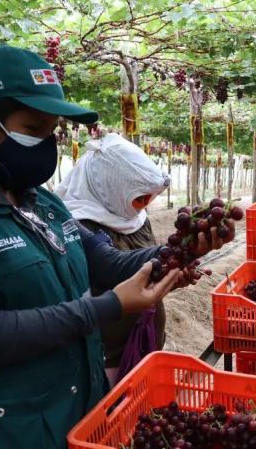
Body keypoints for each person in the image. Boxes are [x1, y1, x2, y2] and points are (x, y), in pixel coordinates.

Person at [0, 45, 233, 449]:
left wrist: (187, 248)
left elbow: (105, 264)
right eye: (33, 130)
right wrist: (109, 307)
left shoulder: (41, 201)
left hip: (68, 416)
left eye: (51, 131)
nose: (45, 143)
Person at [56, 133, 171, 385]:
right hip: (109, 358)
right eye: (139, 197)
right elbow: (114, 267)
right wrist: (179, 250)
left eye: (149, 197)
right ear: (108, 188)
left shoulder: (137, 219)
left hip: (147, 340)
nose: (145, 204)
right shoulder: (75, 225)